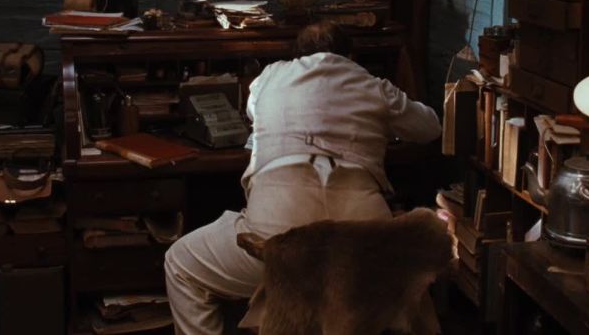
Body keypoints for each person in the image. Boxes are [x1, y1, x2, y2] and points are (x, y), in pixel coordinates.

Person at [164, 21, 442, 335]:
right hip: (361, 242)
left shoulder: (269, 76)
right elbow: (430, 128)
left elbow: (254, 113)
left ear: (297, 55)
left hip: (278, 242)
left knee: (180, 264)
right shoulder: (373, 85)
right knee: (391, 268)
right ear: (349, 56)